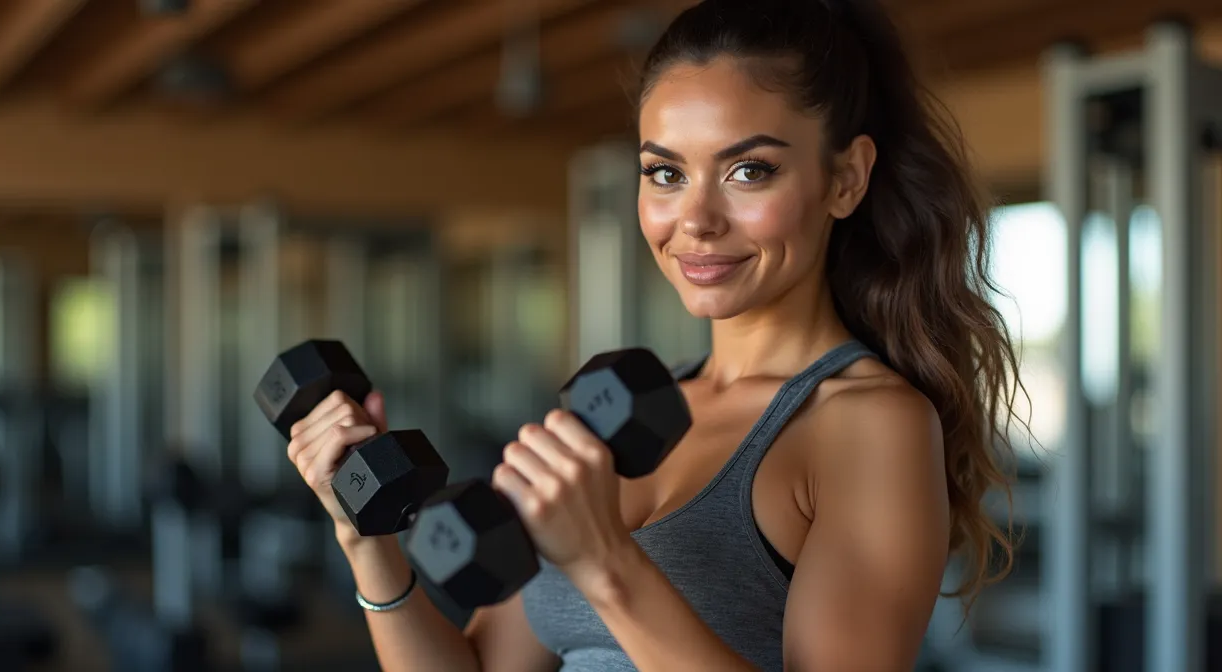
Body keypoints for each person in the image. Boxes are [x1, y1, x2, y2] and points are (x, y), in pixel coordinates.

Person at [286, 0, 1027, 669]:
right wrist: (366, 542)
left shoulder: (869, 424)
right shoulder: (616, 412)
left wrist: (607, 564)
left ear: (846, 179)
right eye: (666, 174)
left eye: (748, 170)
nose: (696, 222)